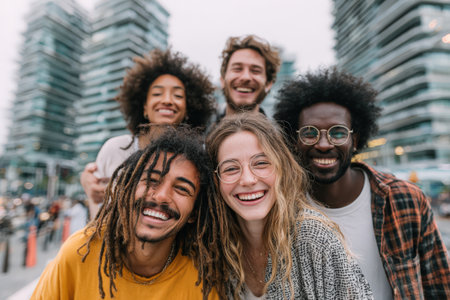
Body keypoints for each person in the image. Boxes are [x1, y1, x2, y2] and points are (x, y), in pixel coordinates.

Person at [273, 67, 450, 299]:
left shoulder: (405, 199)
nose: (324, 144)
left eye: (337, 133)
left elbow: (440, 287)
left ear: (355, 140)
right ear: (294, 141)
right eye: (310, 133)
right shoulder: (280, 211)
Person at [31, 127, 219, 299]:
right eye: (152, 180)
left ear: (194, 212)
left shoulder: (203, 280)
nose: (161, 196)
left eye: (181, 189)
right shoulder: (79, 252)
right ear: (127, 188)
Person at [203, 113, 373, 299]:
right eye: (231, 168)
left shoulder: (315, 237)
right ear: (215, 180)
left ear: (282, 168)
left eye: (261, 163)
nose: (248, 180)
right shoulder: (214, 247)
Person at [80, 48, 215, 218]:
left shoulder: (199, 157)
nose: (167, 100)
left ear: (188, 110)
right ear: (144, 107)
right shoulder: (116, 148)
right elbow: (97, 210)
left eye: (178, 96)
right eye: (157, 93)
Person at [214, 34, 281, 123]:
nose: (245, 77)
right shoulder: (200, 132)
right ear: (222, 80)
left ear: (268, 84)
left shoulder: (281, 136)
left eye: (255, 71)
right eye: (237, 69)